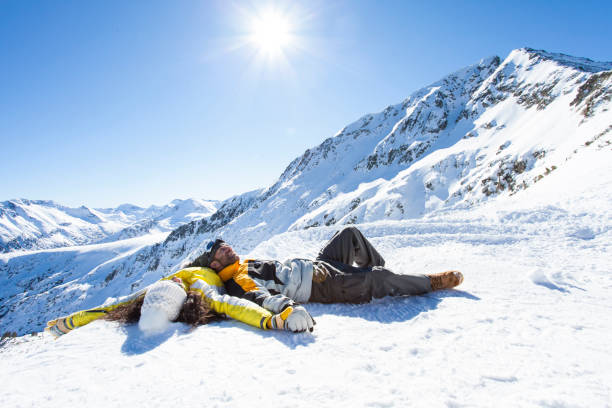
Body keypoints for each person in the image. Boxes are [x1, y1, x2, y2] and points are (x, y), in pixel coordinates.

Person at [189, 226, 464, 333]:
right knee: (375, 280)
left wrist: (312, 265)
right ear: (214, 263)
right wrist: (289, 310)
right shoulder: (238, 281)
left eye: (224, 243)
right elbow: (263, 300)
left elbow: (281, 272)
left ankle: (389, 276)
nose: (226, 246)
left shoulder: (242, 263)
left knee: (349, 234)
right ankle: (428, 282)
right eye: (219, 249)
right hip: (320, 284)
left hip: (317, 266)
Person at [45, 266, 295, 338]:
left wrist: (70, 321)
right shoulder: (199, 288)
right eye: (175, 286)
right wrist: (269, 321)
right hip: (216, 269)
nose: (174, 280)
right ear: (182, 296)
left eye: (169, 282)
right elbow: (231, 305)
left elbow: (110, 309)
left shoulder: (162, 285)